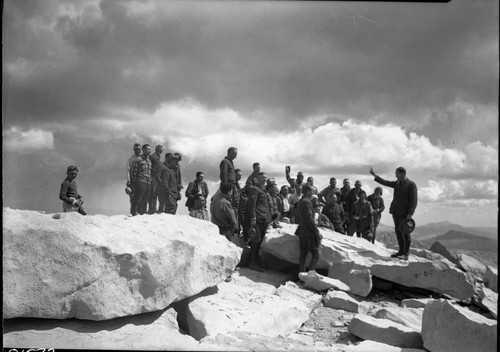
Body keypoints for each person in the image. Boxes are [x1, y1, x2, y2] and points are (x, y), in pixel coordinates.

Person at [370, 166, 418, 260]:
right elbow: (386, 182)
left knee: (405, 232)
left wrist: (410, 213)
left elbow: (414, 200)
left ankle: (406, 254)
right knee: (398, 232)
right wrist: (375, 176)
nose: (395, 175)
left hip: (405, 213)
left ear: (402, 173)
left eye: (397, 173)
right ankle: (400, 252)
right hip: (395, 211)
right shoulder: (397, 183)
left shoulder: (411, 184)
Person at [245, 171, 272, 272]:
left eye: (266, 178)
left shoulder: (262, 189)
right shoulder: (254, 189)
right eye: (263, 178)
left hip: (263, 219)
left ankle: (256, 261)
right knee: (255, 241)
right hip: (257, 219)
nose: (265, 179)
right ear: (256, 179)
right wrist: (253, 218)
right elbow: (252, 205)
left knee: (259, 242)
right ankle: (252, 263)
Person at [295, 184, 322, 273]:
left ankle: (301, 274)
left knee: (303, 254)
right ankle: (310, 275)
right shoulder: (307, 202)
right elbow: (309, 219)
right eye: (312, 192)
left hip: (302, 231)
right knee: (316, 254)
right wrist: (317, 232)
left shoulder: (300, 202)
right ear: (308, 192)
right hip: (309, 232)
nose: (312, 194)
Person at [130, 144, 152, 216]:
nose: (149, 151)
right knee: (138, 198)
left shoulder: (149, 161)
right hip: (140, 181)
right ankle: (134, 212)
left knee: (145, 199)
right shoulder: (138, 160)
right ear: (143, 150)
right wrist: (134, 183)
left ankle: (143, 212)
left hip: (148, 182)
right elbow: (133, 172)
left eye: (150, 149)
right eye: (148, 149)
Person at [126, 143, 142, 215]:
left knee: (140, 198)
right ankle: (133, 213)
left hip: (141, 181)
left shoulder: (143, 158)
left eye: (139, 149)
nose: (138, 151)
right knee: (133, 198)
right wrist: (129, 180)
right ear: (134, 150)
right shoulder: (131, 159)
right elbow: (127, 170)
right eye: (136, 149)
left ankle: (139, 212)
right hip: (133, 181)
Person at [148, 144, 164, 214]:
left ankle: (154, 208)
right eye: (160, 149)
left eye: (162, 149)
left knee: (156, 193)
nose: (161, 150)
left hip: (158, 178)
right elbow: (149, 166)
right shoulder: (152, 156)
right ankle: (151, 208)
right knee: (152, 193)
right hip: (153, 177)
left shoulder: (159, 157)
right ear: (156, 149)